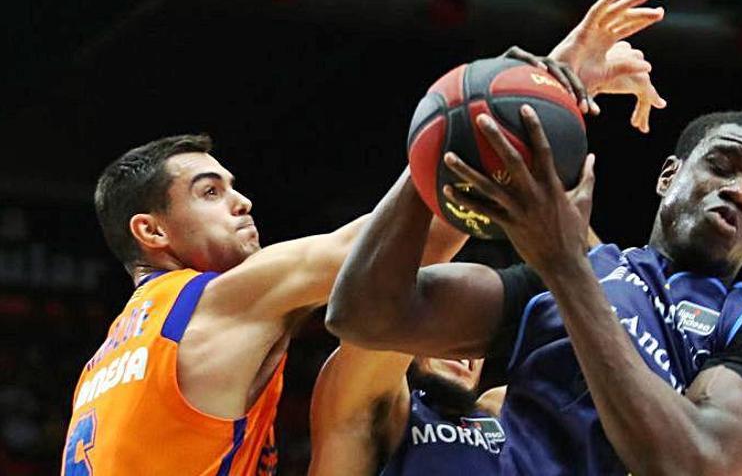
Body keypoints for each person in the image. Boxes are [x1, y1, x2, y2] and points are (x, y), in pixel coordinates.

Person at [326, 105, 742, 474]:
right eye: (721, 167)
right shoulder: (578, 274)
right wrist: (441, 143)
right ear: (668, 176)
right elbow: (365, 313)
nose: (739, 191)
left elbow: (693, 461)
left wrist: (566, 267)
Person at [308, 0, 665, 475]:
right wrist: (479, 112)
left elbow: (612, 316)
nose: (466, 360)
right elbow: (401, 279)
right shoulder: (375, 407)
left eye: (470, 349)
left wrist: (551, 97)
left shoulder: (508, 414)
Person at [60, 135, 469, 475]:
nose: (241, 202)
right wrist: (460, 136)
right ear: (151, 230)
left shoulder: (103, 363)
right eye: (210, 192)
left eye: (231, 187)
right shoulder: (211, 302)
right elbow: (399, 250)